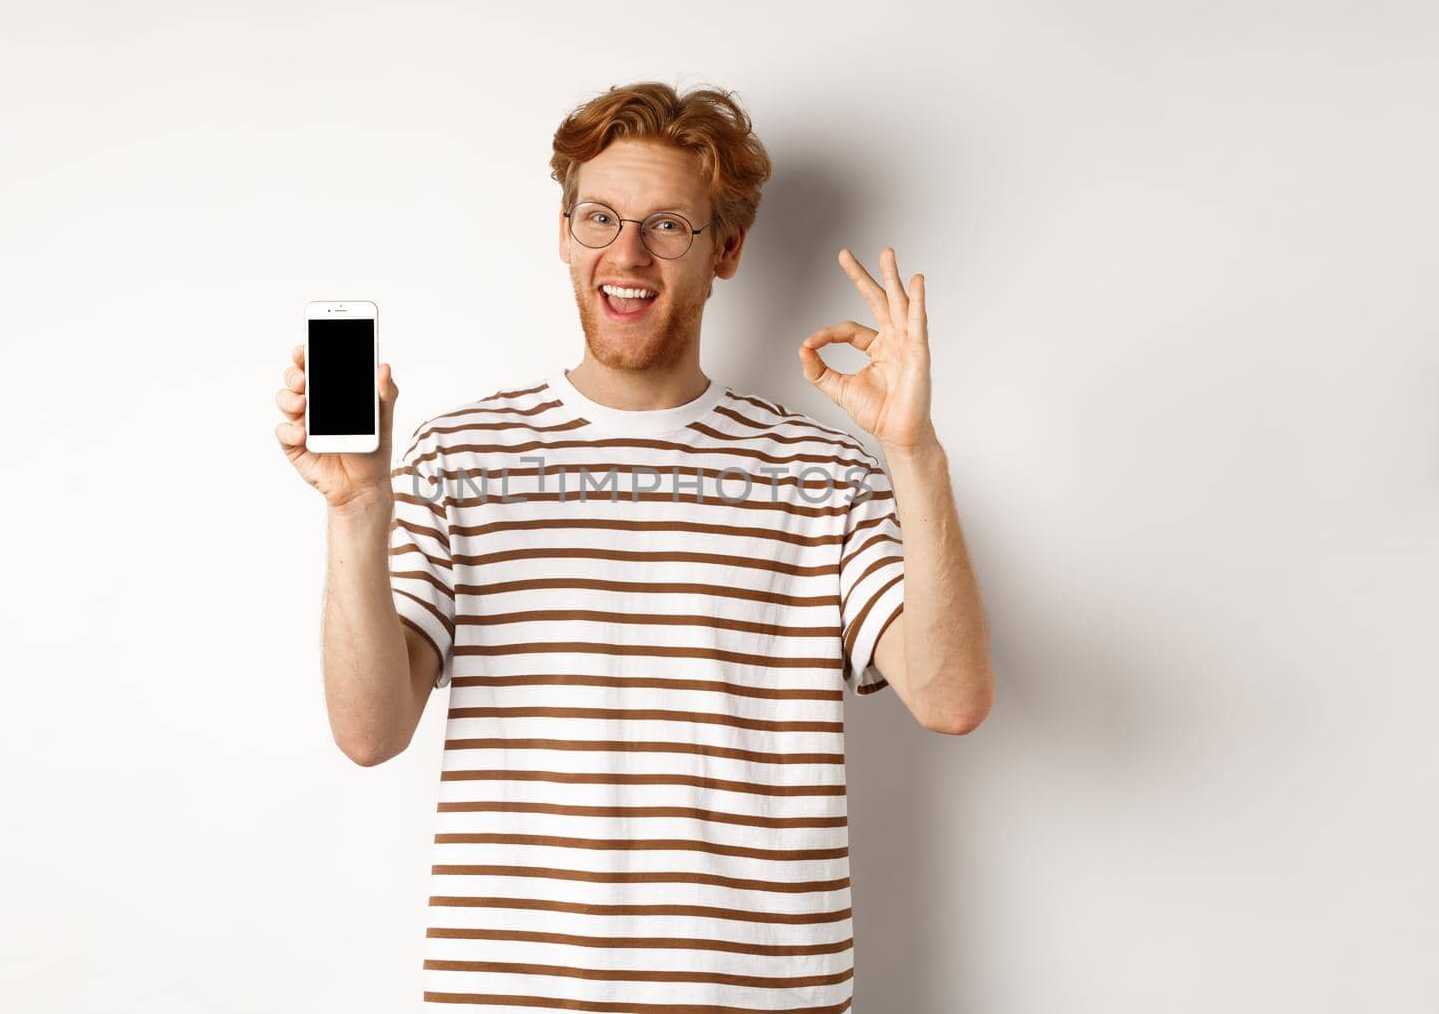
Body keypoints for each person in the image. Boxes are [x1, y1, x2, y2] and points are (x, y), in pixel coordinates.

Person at [275, 80, 993, 1011]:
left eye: (667, 227)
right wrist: (355, 508)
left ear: (726, 249)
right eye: (600, 218)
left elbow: (951, 698)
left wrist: (912, 451)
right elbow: (370, 733)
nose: (626, 255)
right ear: (564, 230)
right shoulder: (459, 456)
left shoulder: (820, 469)